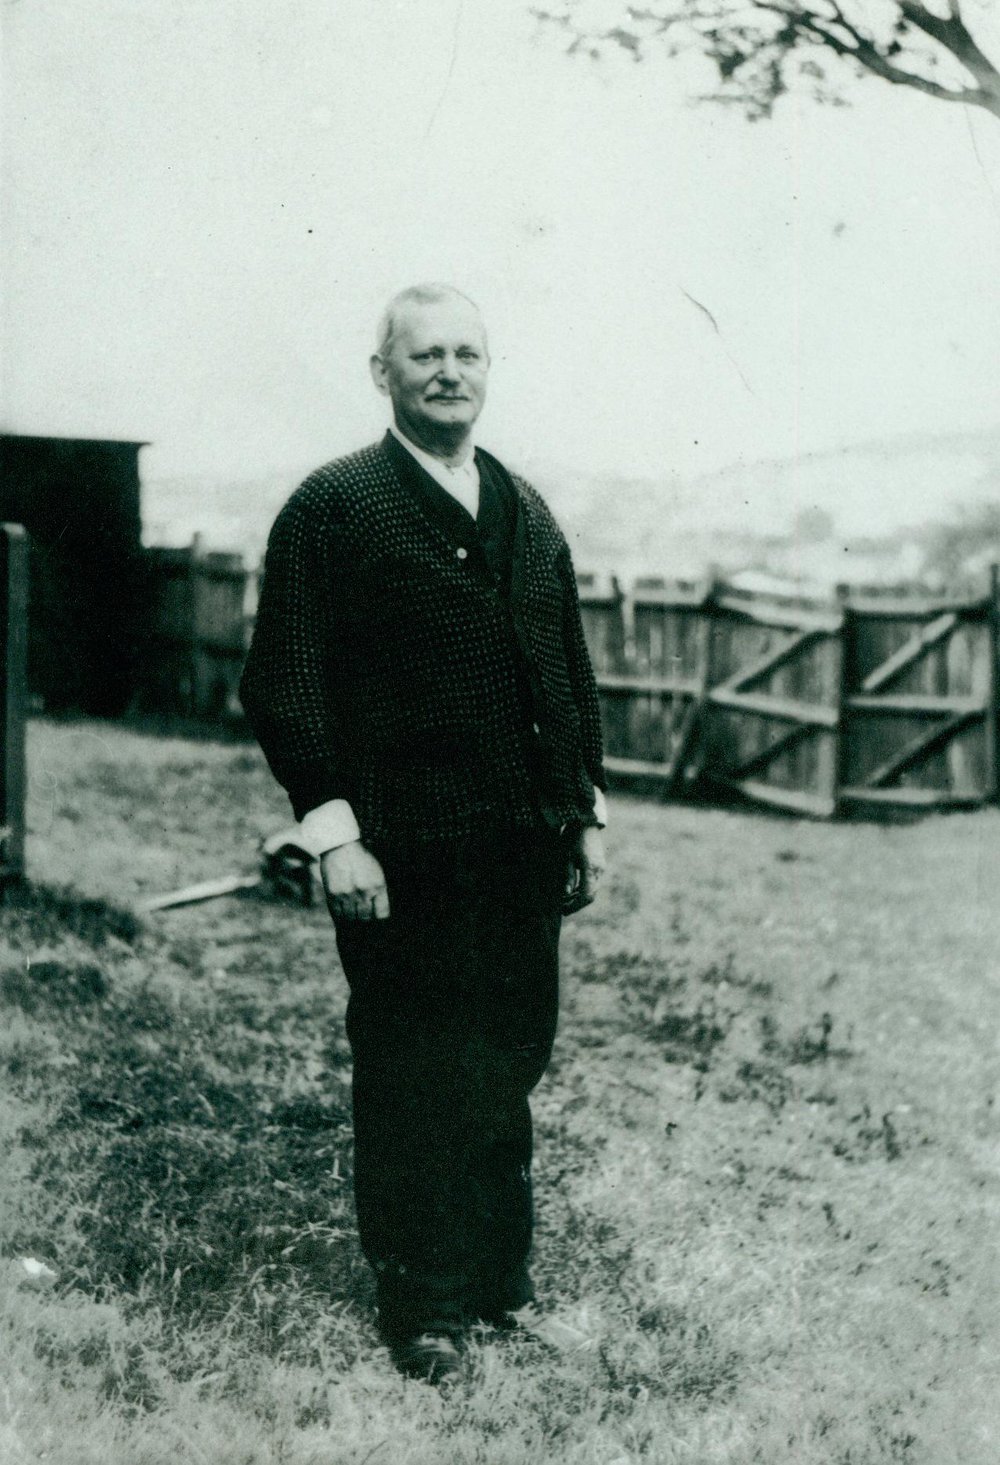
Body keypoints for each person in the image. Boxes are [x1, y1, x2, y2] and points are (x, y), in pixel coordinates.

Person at [240, 283, 608, 1382]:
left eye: (467, 354)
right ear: (383, 372)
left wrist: (583, 809)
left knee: (507, 1065)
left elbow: (567, 672)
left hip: (521, 849)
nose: (448, 371)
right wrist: (334, 833)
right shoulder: (336, 506)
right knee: (413, 1069)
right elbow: (286, 678)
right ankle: (426, 1308)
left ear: (488, 370)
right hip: (402, 855)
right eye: (425, 355)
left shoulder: (526, 510)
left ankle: (497, 1291)